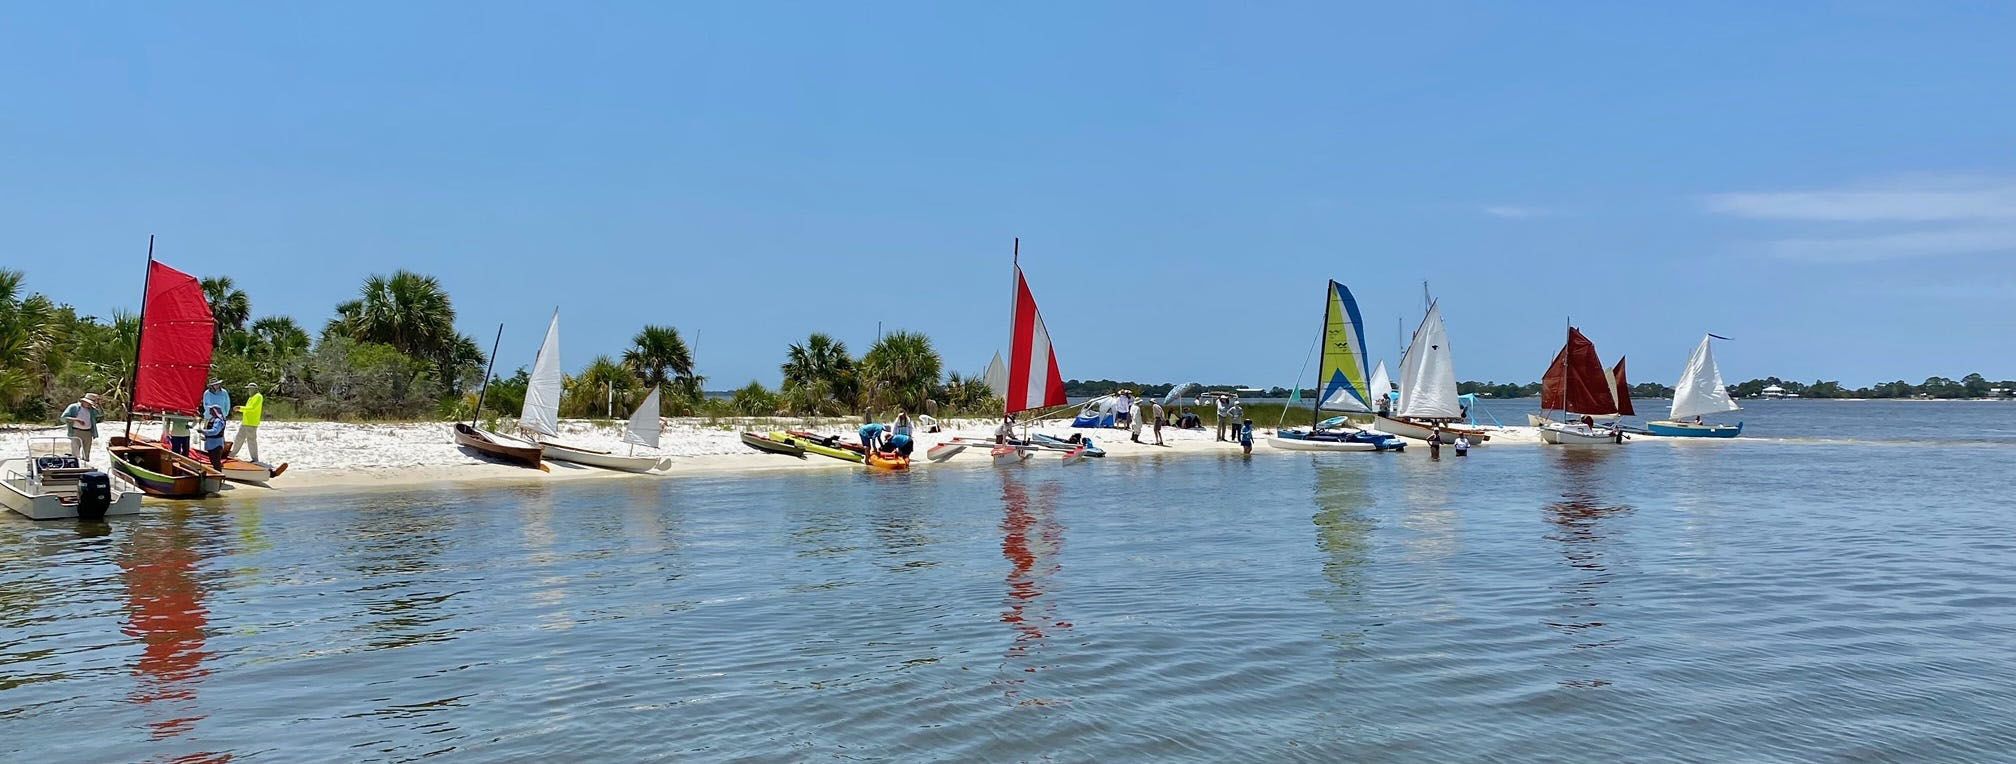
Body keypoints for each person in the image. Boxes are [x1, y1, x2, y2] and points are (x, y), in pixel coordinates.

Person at [60, 393, 103, 461]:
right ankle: (75, 465)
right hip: (76, 431)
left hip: (88, 432)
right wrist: (76, 420)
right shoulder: (73, 407)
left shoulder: (91, 410)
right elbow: (63, 418)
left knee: (86, 452)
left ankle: (85, 464)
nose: (90, 405)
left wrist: (99, 405)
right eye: (89, 403)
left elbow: (100, 415)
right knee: (76, 452)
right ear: (84, 401)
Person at [231, 383, 265, 463]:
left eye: (250, 389)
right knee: (239, 438)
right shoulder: (251, 397)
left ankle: (255, 459)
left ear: (255, 389)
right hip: (245, 422)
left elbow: (252, 408)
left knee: (251, 441)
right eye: (248, 389)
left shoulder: (258, 397)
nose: (249, 390)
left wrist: (240, 408)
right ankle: (232, 454)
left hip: (252, 423)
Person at [200, 405, 229, 471]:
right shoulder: (212, 419)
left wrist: (203, 431)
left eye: (211, 410)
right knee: (213, 461)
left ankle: (219, 476)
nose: (210, 412)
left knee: (216, 462)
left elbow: (215, 431)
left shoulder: (218, 420)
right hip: (211, 444)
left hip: (216, 445)